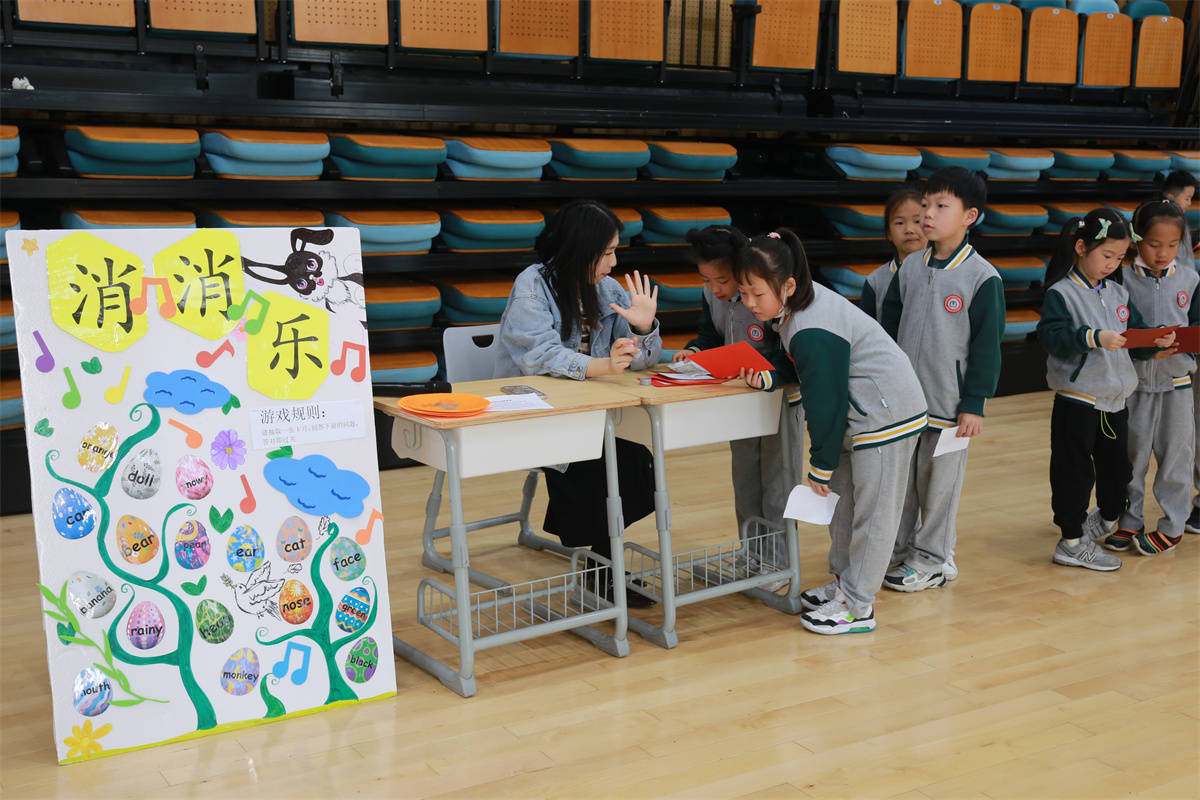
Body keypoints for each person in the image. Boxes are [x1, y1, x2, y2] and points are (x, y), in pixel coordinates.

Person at [737, 229, 927, 635]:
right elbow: (800, 366)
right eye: (744, 293)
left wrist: (819, 465)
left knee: (873, 515)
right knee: (844, 507)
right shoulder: (794, 309)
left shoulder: (810, 326)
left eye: (757, 294)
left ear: (787, 285)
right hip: (858, 416)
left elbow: (826, 401)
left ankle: (859, 607)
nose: (749, 304)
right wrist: (770, 379)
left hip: (885, 417)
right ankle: (845, 585)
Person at [493, 199, 663, 606]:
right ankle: (602, 571)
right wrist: (601, 366)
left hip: (591, 410)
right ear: (579, 248)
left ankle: (599, 566)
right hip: (531, 409)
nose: (613, 262)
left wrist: (644, 329)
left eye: (615, 250)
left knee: (635, 461)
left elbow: (643, 358)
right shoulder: (532, 285)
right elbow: (537, 356)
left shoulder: (607, 288)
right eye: (606, 252)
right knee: (601, 463)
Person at [879, 167, 1005, 591]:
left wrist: (974, 403)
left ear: (970, 216)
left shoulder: (982, 278)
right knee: (902, 486)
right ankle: (896, 554)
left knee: (939, 490)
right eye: (925, 205)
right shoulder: (911, 268)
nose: (926, 215)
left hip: (950, 409)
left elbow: (987, 348)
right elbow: (889, 332)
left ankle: (932, 561)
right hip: (905, 404)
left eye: (939, 207)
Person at [1036, 207, 1176, 572]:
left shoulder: (1117, 292)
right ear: (1082, 248)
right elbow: (1053, 338)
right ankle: (1070, 540)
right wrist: (1094, 337)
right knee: (1073, 474)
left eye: (1119, 257)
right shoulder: (1061, 293)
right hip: (1078, 402)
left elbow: (1132, 338)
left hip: (1115, 402)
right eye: (1107, 255)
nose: (1113, 264)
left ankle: (1108, 517)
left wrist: (1155, 342)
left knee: (1118, 473)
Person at [672, 225, 803, 582]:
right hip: (739, 401)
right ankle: (752, 556)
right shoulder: (711, 294)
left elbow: (789, 349)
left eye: (724, 280)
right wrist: (696, 352)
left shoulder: (768, 296)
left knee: (778, 482)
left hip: (778, 397)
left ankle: (778, 562)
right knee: (745, 482)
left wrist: (768, 373)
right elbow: (710, 335)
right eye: (707, 279)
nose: (715, 288)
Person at [1104, 200, 1198, 555]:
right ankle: (1130, 521)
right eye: (1155, 244)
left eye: (1172, 245)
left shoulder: (1191, 279)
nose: (1163, 253)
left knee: (1177, 456)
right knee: (1132, 457)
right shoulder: (1120, 279)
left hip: (1177, 385)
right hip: (1136, 384)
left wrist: (1183, 345)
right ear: (1137, 239)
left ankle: (1173, 525)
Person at [858, 185, 927, 320]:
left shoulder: (943, 274)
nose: (909, 229)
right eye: (900, 223)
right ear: (888, 233)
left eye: (917, 221)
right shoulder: (876, 281)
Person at [1162, 169, 1197, 271]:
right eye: (1187, 198)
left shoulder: (1179, 216)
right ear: (1170, 198)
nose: (1189, 203)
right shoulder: (1167, 219)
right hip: (1177, 278)